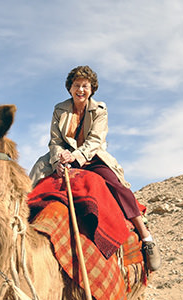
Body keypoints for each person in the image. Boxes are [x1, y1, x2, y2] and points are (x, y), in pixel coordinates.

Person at [29, 65, 161, 271]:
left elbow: (95, 140)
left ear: (91, 90)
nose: (80, 90)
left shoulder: (99, 109)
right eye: (76, 85)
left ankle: (146, 237)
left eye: (85, 86)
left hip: (91, 156)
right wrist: (59, 158)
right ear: (70, 88)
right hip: (63, 156)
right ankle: (20, 222)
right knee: (35, 177)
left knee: (118, 188)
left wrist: (75, 156)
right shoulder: (59, 109)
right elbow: (55, 140)